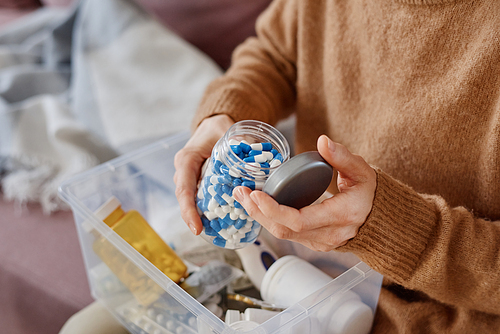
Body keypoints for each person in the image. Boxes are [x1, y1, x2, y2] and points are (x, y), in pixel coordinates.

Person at [173, 0, 500, 332]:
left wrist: (391, 230)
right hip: (303, 278)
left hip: (439, 318)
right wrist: (226, 113)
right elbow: (276, 56)